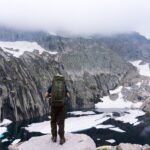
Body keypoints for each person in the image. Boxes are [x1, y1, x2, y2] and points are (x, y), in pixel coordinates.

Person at [44, 74, 70, 145]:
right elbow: (68, 95)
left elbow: (45, 95)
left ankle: (54, 137)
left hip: (54, 106)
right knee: (61, 122)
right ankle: (62, 138)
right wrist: (64, 98)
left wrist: (50, 96)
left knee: (53, 121)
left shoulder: (52, 85)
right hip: (62, 106)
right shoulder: (64, 86)